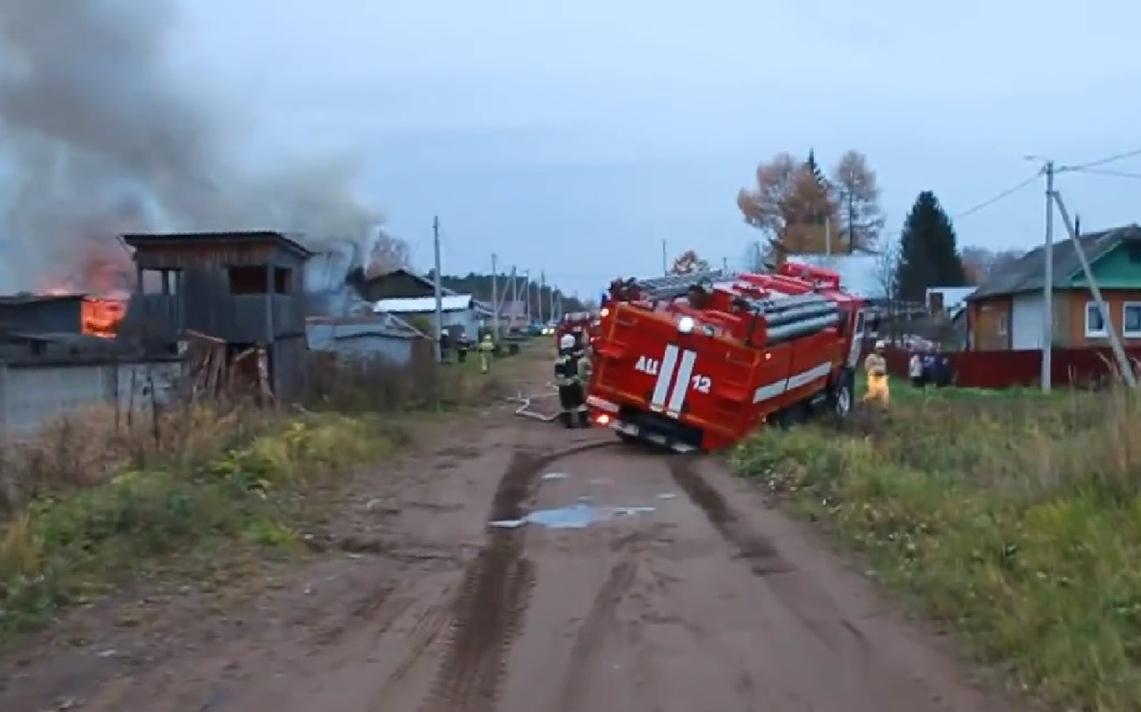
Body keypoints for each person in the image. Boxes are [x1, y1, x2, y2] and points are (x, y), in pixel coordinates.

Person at [554, 333, 589, 428]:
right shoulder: (575, 355)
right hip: (574, 382)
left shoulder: (560, 356)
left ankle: (568, 423)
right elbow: (582, 365)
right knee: (580, 403)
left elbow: (558, 372)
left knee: (566, 405)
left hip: (563, 385)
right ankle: (584, 422)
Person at [862, 340, 890, 411]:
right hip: (873, 377)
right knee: (873, 394)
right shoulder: (871, 357)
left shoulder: (883, 360)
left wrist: (885, 376)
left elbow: (884, 369)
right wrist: (872, 371)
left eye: (882, 348)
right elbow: (867, 366)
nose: (881, 350)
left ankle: (884, 409)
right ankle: (863, 400)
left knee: (885, 392)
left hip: (882, 378)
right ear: (875, 349)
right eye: (879, 348)